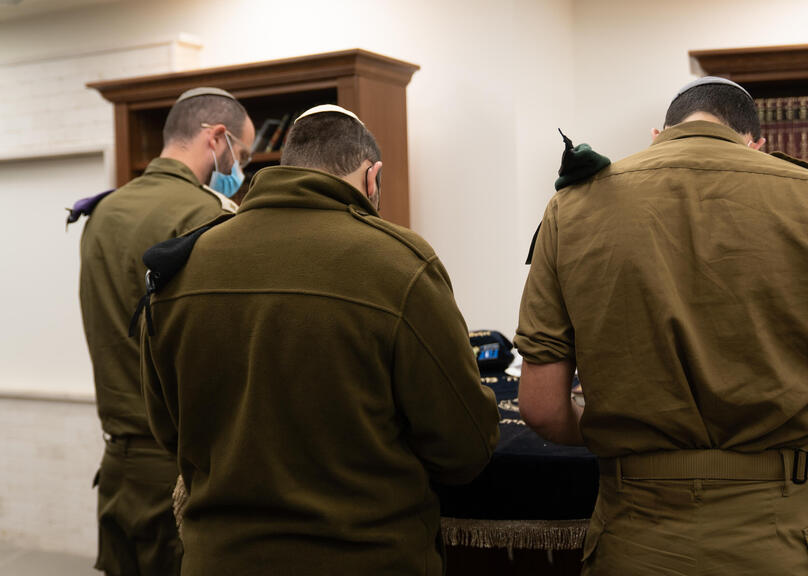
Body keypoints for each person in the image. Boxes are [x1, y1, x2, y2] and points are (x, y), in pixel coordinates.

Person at [514, 77, 808, 575]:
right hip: (780, 536)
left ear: (659, 134)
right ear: (756, 143)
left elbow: (542, 409)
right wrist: (787, 449)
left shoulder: (572, 206)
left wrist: (627, 434)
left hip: (637, 537)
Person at [138, 104, 500, 575]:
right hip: (368, 558)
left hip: (220, 560)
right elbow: (465, 446)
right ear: (374, 178)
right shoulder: (399, 264)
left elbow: (170, 431)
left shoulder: (181, 266)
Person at [74, 86, 253, 575]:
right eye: (244, 152)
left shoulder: (103, 211)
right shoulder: (205, 216)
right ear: (217, 138)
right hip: (177, 470)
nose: (243, 168)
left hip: (118, 466)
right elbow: (224, 350)